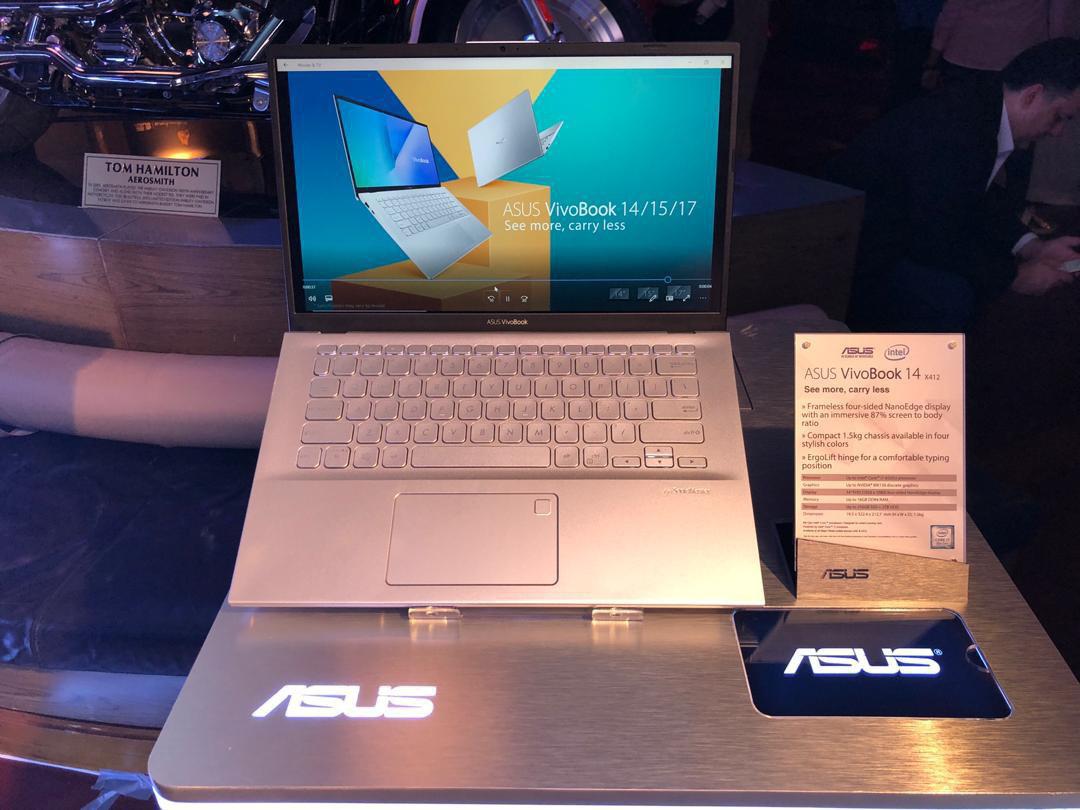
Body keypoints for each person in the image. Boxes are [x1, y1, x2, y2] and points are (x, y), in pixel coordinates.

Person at [825, 38, 1080, 332]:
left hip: (891, 230)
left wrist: (1032, 247)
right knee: (949, 297)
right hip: (851, 245)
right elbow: (933, 233)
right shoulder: (957, 126)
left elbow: (974, 196)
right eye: (1059, 117)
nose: (1058, 131)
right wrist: (1015, 276)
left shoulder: (981, 105)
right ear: (1032, 95)